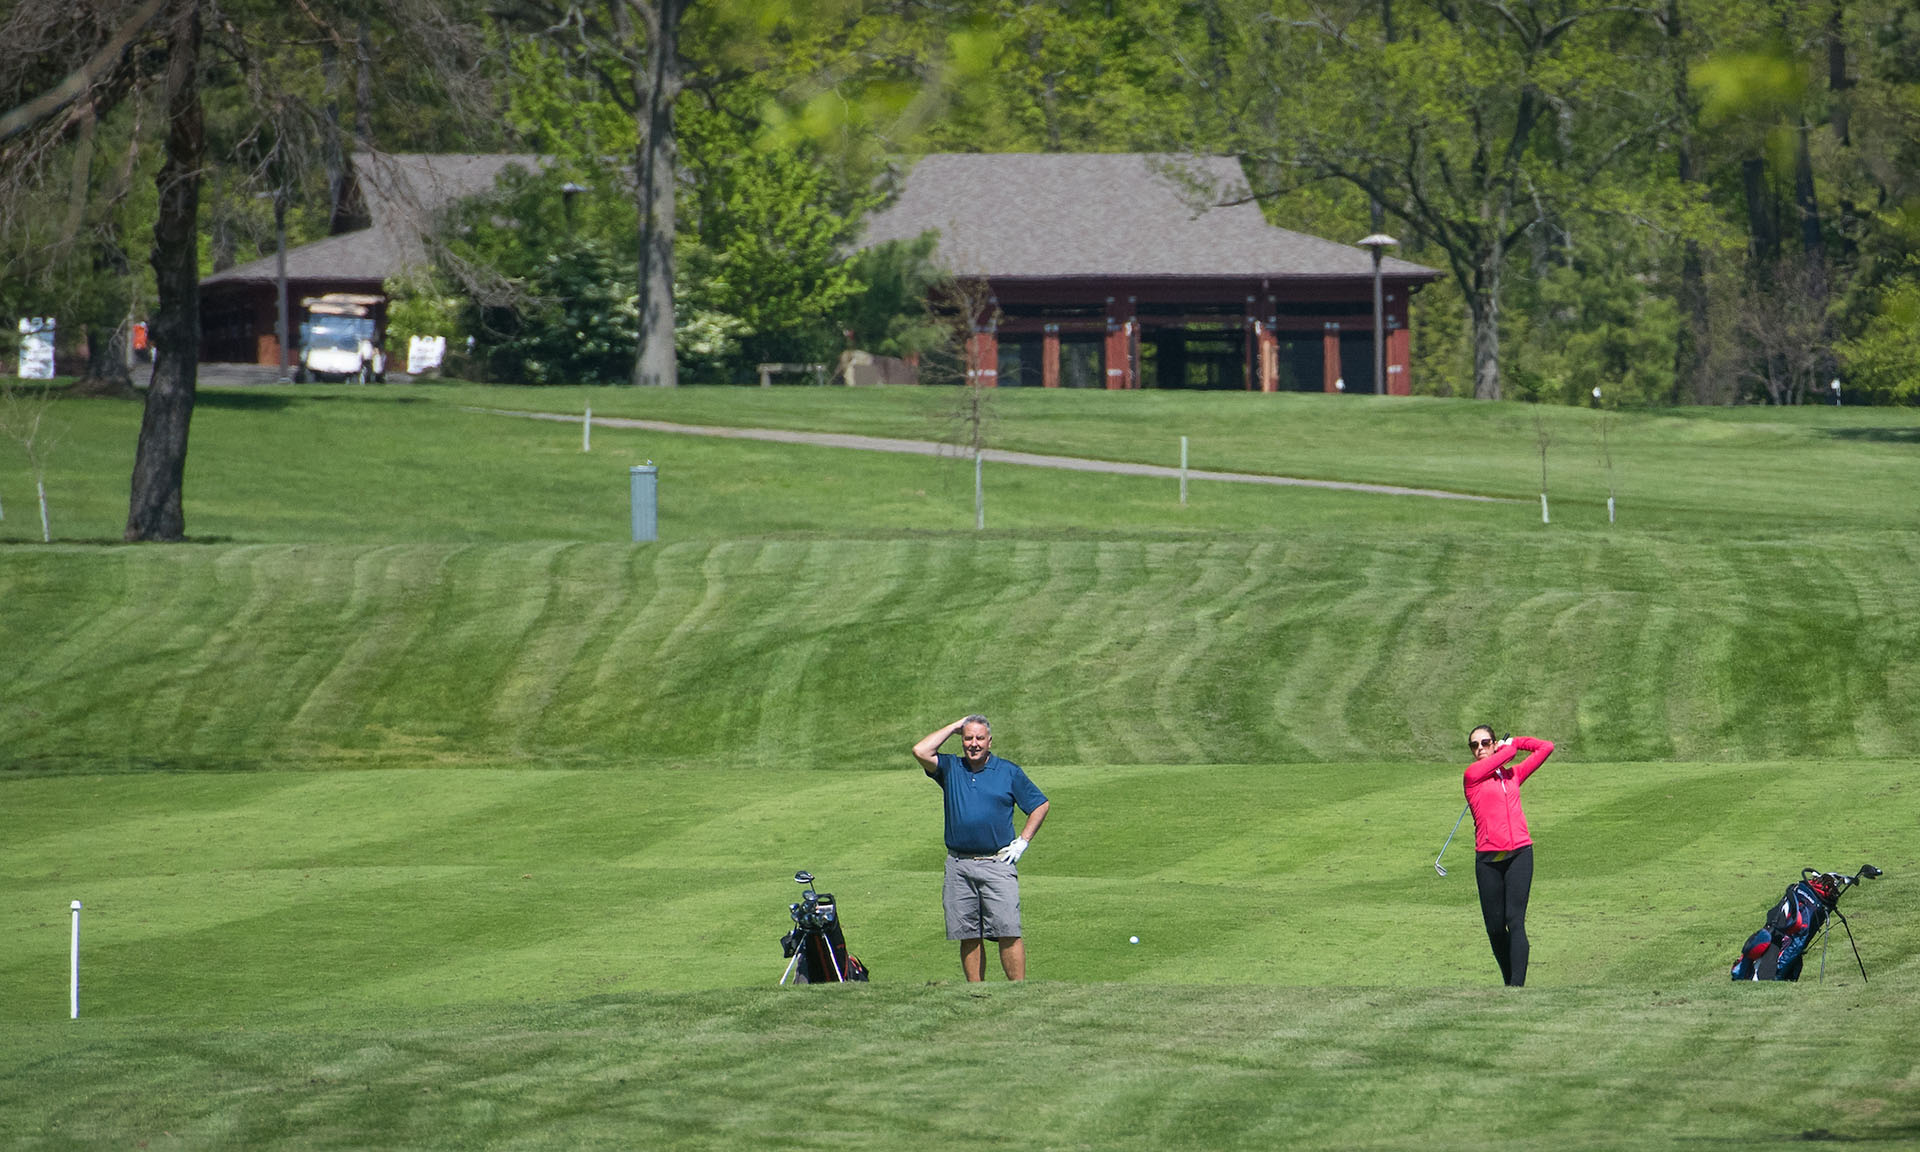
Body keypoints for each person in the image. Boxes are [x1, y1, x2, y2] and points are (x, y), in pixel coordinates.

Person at [912, 715, 1050, 981]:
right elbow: (920, 750)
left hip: (997, 864)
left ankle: (1017, 992)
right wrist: (954, 725)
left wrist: (1023, 841)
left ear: (989, 741)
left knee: (1007, 929)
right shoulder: (951, 768)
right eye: (967, 738)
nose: (973, 744)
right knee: (968, 933)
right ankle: (976, 992)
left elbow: (1039, 805)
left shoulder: (1008, 772)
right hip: (958, 866)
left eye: (979, 738)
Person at [1463, 725, 1555, 987]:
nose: (1480, 748)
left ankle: (1516, 987)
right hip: (1489, 860)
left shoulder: (1511, 776)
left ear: (1493, 743)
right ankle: (1509, 983)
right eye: (1474, 745)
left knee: (1515, 921)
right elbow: (1508, 754)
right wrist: (1506, 748)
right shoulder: (1472, 776)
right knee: (1494, 929)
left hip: (1520, 854)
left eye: (1485, 742)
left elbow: (1545, 747)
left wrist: (1515, 740)